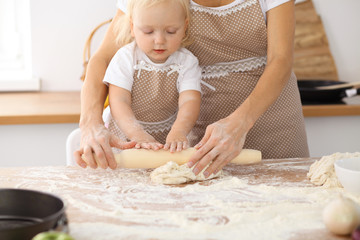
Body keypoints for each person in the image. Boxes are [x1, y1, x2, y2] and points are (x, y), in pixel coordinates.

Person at [75, 0, 310, 177]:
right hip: (198, 133)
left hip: (272, 120)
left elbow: (280, 59)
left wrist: (241, 122)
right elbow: (104, 58)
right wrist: (90, 123)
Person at [77, 0, 202, 169]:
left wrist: (179, 131)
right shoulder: (125, 58)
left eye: (171, 31)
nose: (159, 40)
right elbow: (119, 101)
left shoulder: (187, 61)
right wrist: (138, 134)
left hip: (167, 137)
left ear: (185, 26)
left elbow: (189, 101)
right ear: (132, 27)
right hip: (126, 136)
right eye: (148, 31)